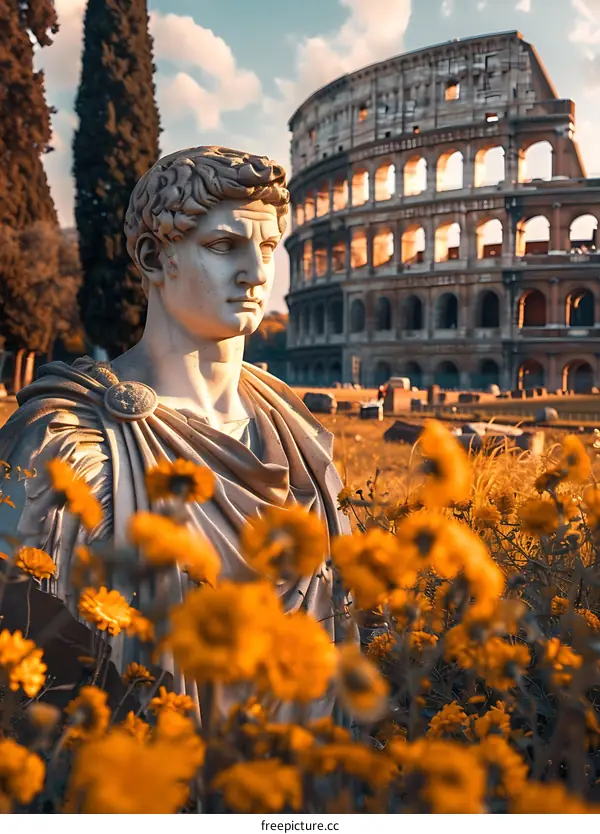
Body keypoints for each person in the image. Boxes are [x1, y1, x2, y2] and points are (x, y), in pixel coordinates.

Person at [0, 146, 351, 717]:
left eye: (266, 247)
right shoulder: (62, 442)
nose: (258, 274)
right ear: (152, 257)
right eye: (222, 246)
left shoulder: (295, 432)